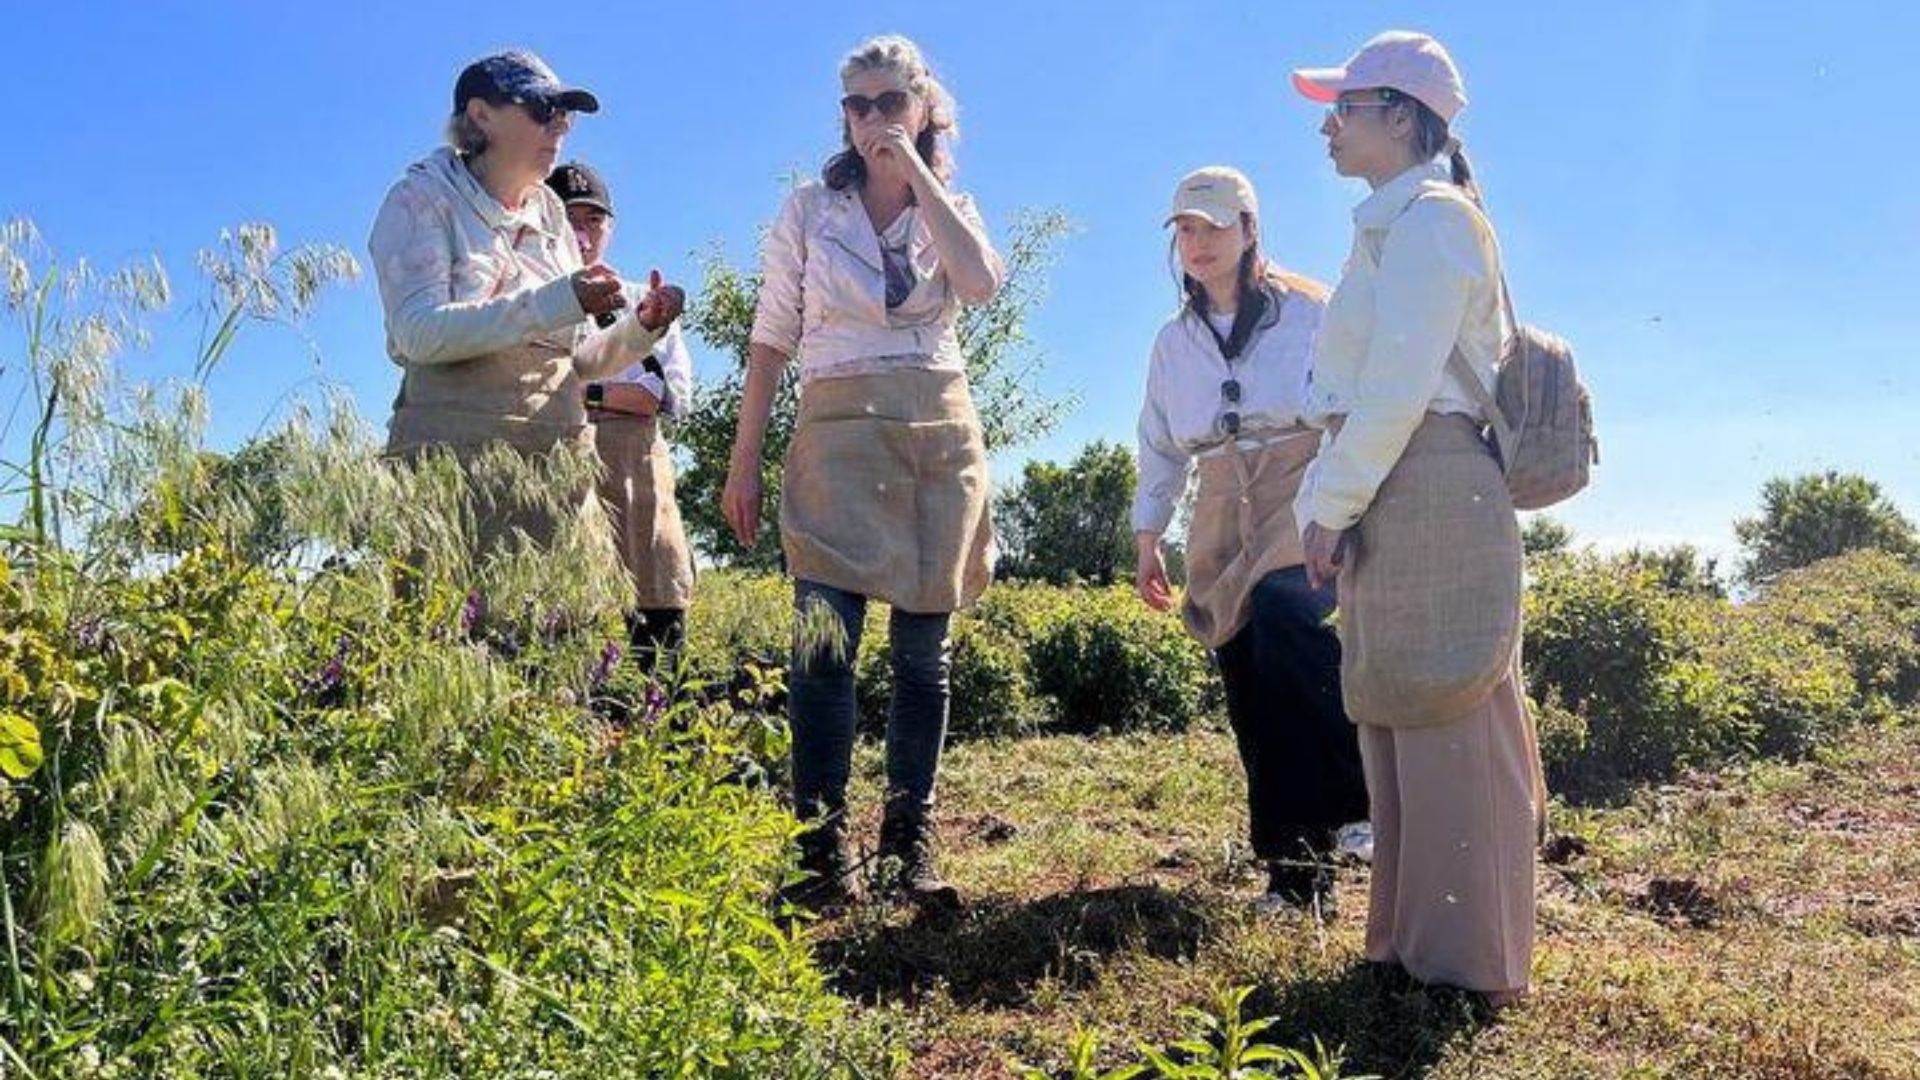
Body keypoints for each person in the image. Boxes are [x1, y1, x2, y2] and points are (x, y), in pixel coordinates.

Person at [721, 34, 1003, 909]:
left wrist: (919, 179)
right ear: (842, 117)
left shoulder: (950, 202)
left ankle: (906, 849)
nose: (873, 119)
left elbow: (983, 285)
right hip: (836, 426)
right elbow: (771, 339)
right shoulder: (809, 210)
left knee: (924, 657)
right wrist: (745, 460)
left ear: (922, 108)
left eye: (890, 102)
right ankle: (817, 851)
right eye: (859, 105)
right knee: (822, 643)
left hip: (935, 432)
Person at [1290, 30, 1542, 1007]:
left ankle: (1467, 966)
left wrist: (1328, 506)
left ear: (1400, 115)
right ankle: (1404, 947)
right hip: (1399, 473)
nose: (1327, 124)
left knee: (1450, 704)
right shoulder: (1393, 224)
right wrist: (1340, 497)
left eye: (1343, 107)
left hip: (1429, 469)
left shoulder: (1435, 220)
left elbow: (1398, 385)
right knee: (1399, 703)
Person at [1134, 167, 1370, 917]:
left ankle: (1360, 802)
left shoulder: (1310, 312)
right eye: (1185, 230)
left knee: (1288, 616)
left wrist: (1345, 505)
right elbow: (1160, 446)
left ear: (1249, 228)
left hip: (1300, 483)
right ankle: (1296, 878)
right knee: (1249, 685)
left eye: (1212, 226)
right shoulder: (1173, 345)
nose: (1197, 243)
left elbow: (1350, 410)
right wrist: (1148, 535)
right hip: (1217, 501)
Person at [369, 50, 684, 560]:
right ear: (480, 115)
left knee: (556, 632)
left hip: (554, 473)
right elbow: (417, 332)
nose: (560, 124)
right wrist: (558, 300)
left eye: (567, 114)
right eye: (543, 108)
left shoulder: (551, 215)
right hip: (455, 467)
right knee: (451, 628)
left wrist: (639, 330)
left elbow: (576, 363)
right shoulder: (421, 199)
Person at [546, 161, 696, 667]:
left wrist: (578, 392)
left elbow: (662, 397)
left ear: (609, 229)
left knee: (657, 626)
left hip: (639, 479)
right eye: (570, 218)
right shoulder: (526, 304)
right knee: (562, 627)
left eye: (593, 220)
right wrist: (609, 394)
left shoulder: (641, 300)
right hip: (556, 475)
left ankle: (657, 741)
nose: (582, 233)